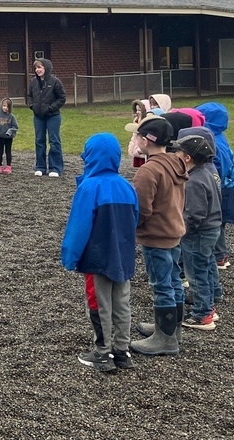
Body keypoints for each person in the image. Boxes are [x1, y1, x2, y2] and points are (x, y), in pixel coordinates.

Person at [60, 133, 139, 372]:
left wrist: (70, 256)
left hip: (97, 258)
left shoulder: (89, 187)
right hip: (122, 256)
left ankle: (103, 352)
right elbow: (135, 220)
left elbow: (79, 226)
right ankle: (122, 351)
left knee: (98, 303)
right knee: (122, 302)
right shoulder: (127, 186)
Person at [127, 115, 187, 356]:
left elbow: (142, 209)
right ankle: (172, 328)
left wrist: (132, 226)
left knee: (161, 284)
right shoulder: (176, 162)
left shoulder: (148, 171)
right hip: (174, 231)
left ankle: (165, 338)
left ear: (147, 140)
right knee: (174, 281)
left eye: (138, 135)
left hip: (156, 235)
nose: (136, 139)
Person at [171, 130, 222, 331]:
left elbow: (193, 214)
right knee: (207, 264)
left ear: (187, 157)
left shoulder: (193, 182)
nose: (175, 155)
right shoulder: (208, 172)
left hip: (197, 233)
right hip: (212, 229)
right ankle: (213, 297)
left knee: (195, 272)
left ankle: (203, 314)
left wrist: (179, 230)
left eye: (178, 152)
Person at [195, 102, 234, 274]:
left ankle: (219, 256)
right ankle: (221, 254)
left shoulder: (213, 142)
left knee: (216, 221)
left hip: (222, 190)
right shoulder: (217, 137)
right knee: (219, 222)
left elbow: (216, 169)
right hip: (227, 188)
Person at [28, 58, 66, 177]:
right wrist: (32, 106)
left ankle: (55, 167)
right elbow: (29, 96)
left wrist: (50, 108)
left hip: (53, 116)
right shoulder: (33, 82)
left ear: (46, 68)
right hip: (38, 116)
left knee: (54, 140)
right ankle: (40, 166)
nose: (37, 70)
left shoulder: (55, 82)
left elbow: (62, 98)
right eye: (36, 68)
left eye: (40, 67)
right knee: (39, 140)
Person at [0, 98, 19, 174]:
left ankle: (8, 166)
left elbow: (15, 127)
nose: (5, 108)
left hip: (8, 138)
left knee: (8, 151)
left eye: (7, 106)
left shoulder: (11, 117)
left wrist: (10, 131)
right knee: (0, 152)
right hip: (0, 137)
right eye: (4, 106)